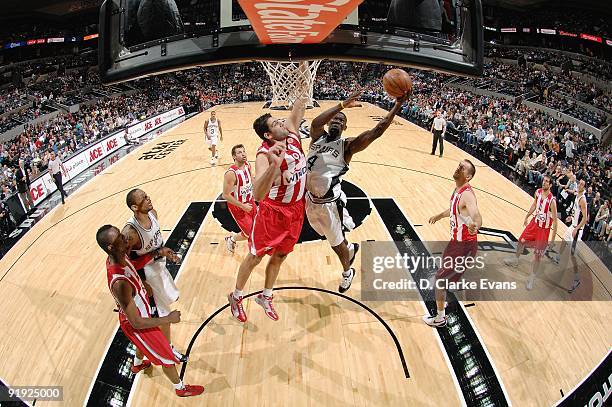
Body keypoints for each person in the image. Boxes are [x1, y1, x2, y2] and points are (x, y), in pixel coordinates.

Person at [305, 91, 408, 292]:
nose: (336, 121)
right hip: (310, 200)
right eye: (334, 119)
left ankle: (347, 272)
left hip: (329, 204)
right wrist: (341, 105)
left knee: (335, 244)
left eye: (340, 120)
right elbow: (317, 122)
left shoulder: (347, 145)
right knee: (328, 236)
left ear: (345, 127)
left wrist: (397, 105)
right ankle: (350, 249)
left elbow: (377, 130)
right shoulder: (317, 137)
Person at [227, 92, 309, 323]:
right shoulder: (264, 154)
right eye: (275, 123)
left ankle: (266, 296)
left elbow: (301, 99)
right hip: (273, 212)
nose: (281, 122)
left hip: (296, 209)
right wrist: (275, 165)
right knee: (255, 257)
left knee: (281, 255)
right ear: (268, 134)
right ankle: (236, 296)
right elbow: (257, 194)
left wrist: (305, 62)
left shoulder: (292, 133)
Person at [96, 225, 204, 397]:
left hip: (141, 313)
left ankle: (137, 364)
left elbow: (135, 263)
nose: (125, 238)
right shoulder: (120, 283)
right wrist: (168, 318)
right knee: (167, 357)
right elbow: (136, 322)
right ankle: (180, 388)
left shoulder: (118, 256)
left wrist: (157, 254)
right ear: (110, 247)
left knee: (144, 346)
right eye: (120, 238)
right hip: (138, 324)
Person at [121, 189, 187, 362]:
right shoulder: (130, 233)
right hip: (146, 277)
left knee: (157, 316)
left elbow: (156, 245)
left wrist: (164, 253)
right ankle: (168, 351)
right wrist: (142, 283)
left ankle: (137, 362)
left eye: (147, 195)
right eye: (144, 198)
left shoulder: (153, 214)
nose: (149, 198)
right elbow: (124, 264)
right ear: (135, 207)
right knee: (164, 316)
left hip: (157, 270)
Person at [424, 159, 482, 327]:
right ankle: (445, 300)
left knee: (439, 281)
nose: (458, 167)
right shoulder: (457, 190)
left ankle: (440, 318)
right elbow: (453, 210)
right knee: (445, 279)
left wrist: (475, 225)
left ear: (468, 176)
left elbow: (476, 215)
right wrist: (439, 216)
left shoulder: (467, 195)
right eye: (458, 165)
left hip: (463, 246)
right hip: (457, 244)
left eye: (462, 168)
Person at [503, 175, 558, 289]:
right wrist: (527, 216)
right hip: (534, 223)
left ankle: (532, 278)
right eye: (544, 180)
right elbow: (534, 204)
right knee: (521, 240)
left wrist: (552, 240)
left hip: (544, 230)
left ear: (551, 185)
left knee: (537, 255)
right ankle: (516, 260)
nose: (544, 183)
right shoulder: (537, 192)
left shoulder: (552, 201)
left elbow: (555, 222)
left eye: (547, 181)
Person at [223, 144, 256, 254]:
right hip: (238, 206)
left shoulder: (248, 165)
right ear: (234, 157)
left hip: (250, 201)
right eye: (239, 153)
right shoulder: (231, 174)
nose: (243, 154)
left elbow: (252, 180)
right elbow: (225, 195)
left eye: (243, 151)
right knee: (249, 233)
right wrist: (243, 206)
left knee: (257, 227)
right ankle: (231, 239)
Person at [558, 179, 588, 293]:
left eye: (582, 184)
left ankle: (576, 279)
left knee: (573, 256)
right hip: (573, 225)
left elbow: (585, 218)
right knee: (564, 239)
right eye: (579, 183)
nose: (580, 185)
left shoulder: (583, 200)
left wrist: (576, 228)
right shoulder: (577, 195)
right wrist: (571, 217)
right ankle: (558, 257)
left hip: (578, 229)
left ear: (584, 187)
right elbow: (576, 212)